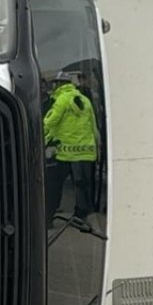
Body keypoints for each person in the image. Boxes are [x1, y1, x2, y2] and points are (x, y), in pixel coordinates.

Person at [43, 72, 99, 224]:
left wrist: (43, 140)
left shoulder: (61, 99)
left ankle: (48, 218)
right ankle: (81, 217)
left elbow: (49, 122)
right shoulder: (85, 100)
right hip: (85, 151)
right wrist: (97, 148)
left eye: (55, 83)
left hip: (64, 152)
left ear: (60, 84)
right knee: (82, 186)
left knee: (54, 186)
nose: (53, 86)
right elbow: (93, 126)